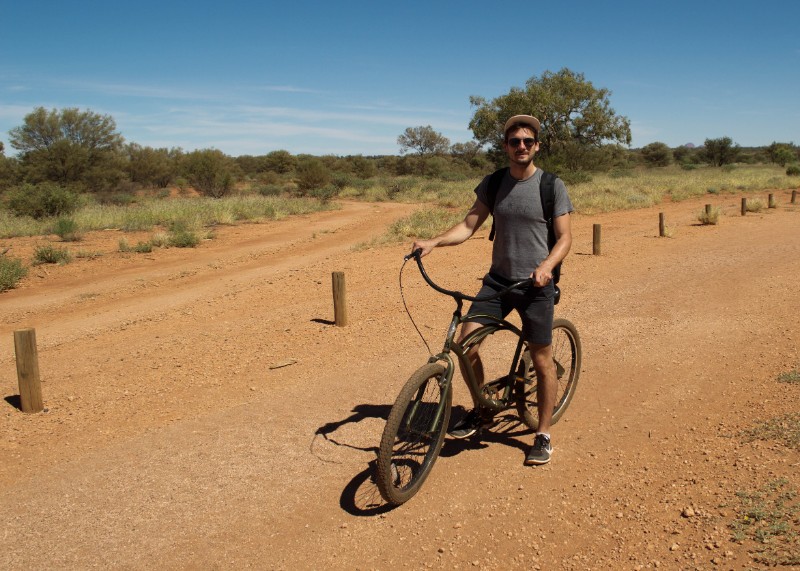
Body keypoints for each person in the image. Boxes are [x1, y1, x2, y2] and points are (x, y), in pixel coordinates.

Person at [411, 115, 574, 466]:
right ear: (505, 146)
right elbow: (470, 224)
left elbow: (565, 238)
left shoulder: (551, 186)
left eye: (528, 141)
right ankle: (483, 409)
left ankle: (542, 433)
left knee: (542, 361)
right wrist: (434, 242)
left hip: (535, 286)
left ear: (537, 146)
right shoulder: (495, 182)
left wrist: (546, 267)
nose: (521, 147)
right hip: (498, 282)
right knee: (465, 346)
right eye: (514, 141)